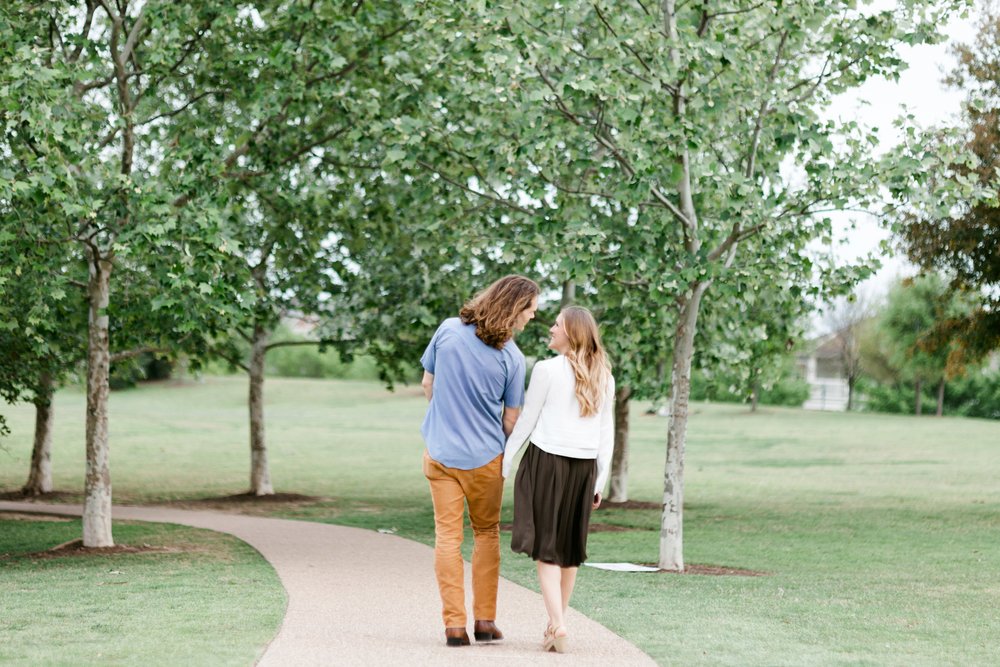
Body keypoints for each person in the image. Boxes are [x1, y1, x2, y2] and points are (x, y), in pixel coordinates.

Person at [420, 274, 540, 647]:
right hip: (486, 458)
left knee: (447, 538)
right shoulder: (513, 359)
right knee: (486, 534)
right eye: (530, 310)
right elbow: (511, 419)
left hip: (440, 454)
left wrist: (446, 421)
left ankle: (454, 626)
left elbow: (428, 384)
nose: (532, 317)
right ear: (514, 307)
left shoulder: (448, 330)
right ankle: (485, 622)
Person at [502, 306, 615, 654]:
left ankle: (560, 624)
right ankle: (555, 626)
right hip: (584, 469)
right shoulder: (604, 376)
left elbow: (527, 421)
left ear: (571, 333)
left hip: (547, 463)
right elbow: (606, 432)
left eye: (556, 325)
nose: (550, 329)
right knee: (568, 552)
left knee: (547, 551)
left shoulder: (547, 370)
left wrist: (506, 461)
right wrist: (600, 480)